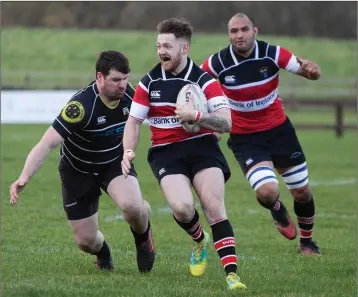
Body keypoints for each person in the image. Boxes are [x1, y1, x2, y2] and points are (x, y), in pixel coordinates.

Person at [121, 17, 247, 292]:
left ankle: (232, 276)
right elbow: (133, 122)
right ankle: (199, 240)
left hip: (203, 148)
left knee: (214, 207)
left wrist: (197, 116)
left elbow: (226, 122)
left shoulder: (205, 81)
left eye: (168, 46)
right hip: (166, 152)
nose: (161, 51)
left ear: (185, 48)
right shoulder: (149, 82)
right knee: (182, 208)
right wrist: (128, 150)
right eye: (159, 46)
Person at [9, 50, 155, 272]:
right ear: (99, 77)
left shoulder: (130, 95)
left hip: (112, 163)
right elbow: (46, 143)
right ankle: (102, 252)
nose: (122, 85)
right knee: (86, 242)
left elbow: (159, 116)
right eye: (116, 80)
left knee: (134, 208)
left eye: (125, 79)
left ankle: (144, 240)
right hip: (78, 171)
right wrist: (24, 177)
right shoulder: (80, 107)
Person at [201, 13, 321, 256]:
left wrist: (313, 70)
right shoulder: (217, 63)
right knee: (266, 192)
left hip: (279, 131)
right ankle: (276, 208)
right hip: (245, 137)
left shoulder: (273, 53)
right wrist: (209, 121)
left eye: (244, 29)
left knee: (302, 191)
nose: (239, 35)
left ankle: (307, 242)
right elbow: (196, 85)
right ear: (229, 35)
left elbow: (307, 71)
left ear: (255, 31)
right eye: (234, 31)